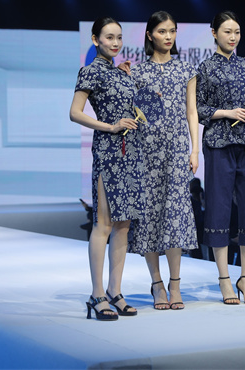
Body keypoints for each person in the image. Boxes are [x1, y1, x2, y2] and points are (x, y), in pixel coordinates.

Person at [69, 17, 144, 321]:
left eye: (119, 37)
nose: (115, 43)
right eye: (109, 37)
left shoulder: (122, 73)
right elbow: (75, 113)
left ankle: (115, 290)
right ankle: (97, 294)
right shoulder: (90, 71)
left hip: (131, 153)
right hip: (108, 151)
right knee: (103, 224)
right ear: (95, 39)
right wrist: (110, 126)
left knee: (123, 225)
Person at [127, 11, 200, 310]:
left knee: (175, 215)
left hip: (177, 150)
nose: (168, 36)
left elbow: (192, 111)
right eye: (162, 31)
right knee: (149, 216)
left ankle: (175, 283)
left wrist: (195, 150)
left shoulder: (186, 69)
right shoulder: (138, 73)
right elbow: (133, 114)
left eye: (172, 31)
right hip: (146, 151)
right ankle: (157, 284)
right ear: (149, 35)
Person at [196, 11, 245, 305]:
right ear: (214, 33)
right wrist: (226, 113)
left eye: (236, 32)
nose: (233, 37)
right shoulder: (205, 67)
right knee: (218, 211)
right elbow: (197, 108)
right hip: (219, 144)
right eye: (227, 31)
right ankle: (224, 279)